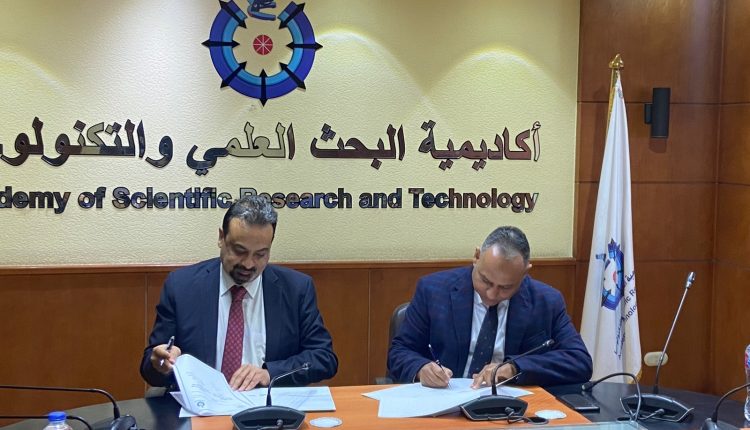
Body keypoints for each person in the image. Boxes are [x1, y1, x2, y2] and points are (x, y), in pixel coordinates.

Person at [140, 195, 338, 390]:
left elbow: (323, 358)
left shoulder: (296, 289)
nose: (248, 264)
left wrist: (269, 373)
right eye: (239, 251)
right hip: (201, 404)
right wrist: (161, 363)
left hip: (267, 404)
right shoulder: (182, 287)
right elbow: (150, 368)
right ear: (221, 238)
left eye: (260, 254)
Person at [387, 226, 592, 388]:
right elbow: (400, 351)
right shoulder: (433, 291)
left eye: (506, 287)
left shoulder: (546, 301)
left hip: (511, 409)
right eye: (485, 281)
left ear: (525, 272)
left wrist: (515, 368)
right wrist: (421, 368)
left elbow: (579, 361)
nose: (492, 294)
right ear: (476, 257)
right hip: (445, 404)